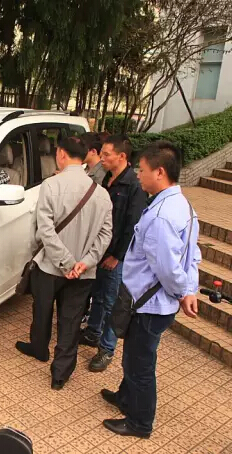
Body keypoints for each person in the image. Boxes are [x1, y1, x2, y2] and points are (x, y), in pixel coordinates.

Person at [102, 142, 200, 438]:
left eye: (142, 170)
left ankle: (139, 423)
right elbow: (192, 255)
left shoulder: (161, 216)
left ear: (159, 172)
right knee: (135, 356)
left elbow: (168, 268)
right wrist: (189, 289)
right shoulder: (182, 205)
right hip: (152, 302)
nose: (138, 175)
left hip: (149, 304)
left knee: (139, 364)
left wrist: (183, 292)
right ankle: (125, 397)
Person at [15, 138, 112, 390]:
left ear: (61, 154)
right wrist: (83, 263)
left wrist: (65, 262)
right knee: (71, 320)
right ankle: (60, 374)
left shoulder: (51, 185)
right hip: (83, 273)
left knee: (42, 309)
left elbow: (44, 229)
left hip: (50, 266)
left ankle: (39, 348)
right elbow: (105, 235)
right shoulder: (101, 193)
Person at [80, 135, 147, 372]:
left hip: (115, 257)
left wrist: (117, 256)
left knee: (111, 302)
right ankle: (92, 332)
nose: (102, 158)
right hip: (99, 250)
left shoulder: (134, 186)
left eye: (107, 154)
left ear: (122, 156)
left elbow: (132, 226)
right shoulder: (106, 179)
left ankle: (107, 349)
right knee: (97, 295)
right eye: (102, 154)